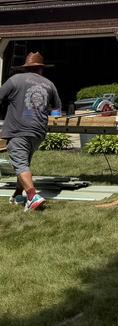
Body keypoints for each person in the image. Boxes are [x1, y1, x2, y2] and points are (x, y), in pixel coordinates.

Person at [0, 52, 62, 212]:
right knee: (23, 164)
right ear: (41, 69)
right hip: (38, 132)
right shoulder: (50, 84)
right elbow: (56, 110)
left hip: (18, 129)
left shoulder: (14, 80)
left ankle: (33, 196)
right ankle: (18, 195)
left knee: (20, 164)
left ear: (25, 68)